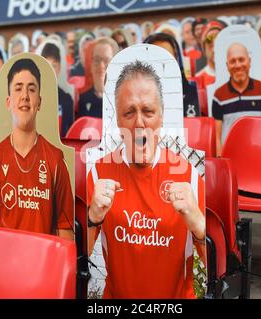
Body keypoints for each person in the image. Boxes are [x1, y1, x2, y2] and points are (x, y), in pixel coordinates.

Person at [87, 60, 205, 299]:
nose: (139, 122)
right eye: (129, 112)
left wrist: (199, 226)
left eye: (148, 111)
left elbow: (220, 269)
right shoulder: (99, 173)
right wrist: (92, 219)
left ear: (161, 117)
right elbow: (74, 261)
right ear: (118, 122)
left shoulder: (189, 175)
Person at [0, 58, 74, 239]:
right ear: (8, 102)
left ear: (39, 102)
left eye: (31, 89)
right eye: (18, 88)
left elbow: (65, 232)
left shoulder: (55, 160)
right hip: (7, 262)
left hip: (43, 262)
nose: (24, 96)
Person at [212, 42, 261, 156]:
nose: (237, 65)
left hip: (260, 156)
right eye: (233, 61)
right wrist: (220, 161)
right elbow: (217, 137)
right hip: (230, 158)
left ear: (249, 62)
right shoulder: (219, 96)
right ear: (227, 65)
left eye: (241, 59)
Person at [145, 32, 201, 117]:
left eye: (167, 56)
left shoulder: (190, 92)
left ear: (177, 59)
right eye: (156, 57)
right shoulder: (135, 96)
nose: (162, 63)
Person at [40, 42, 74, 137]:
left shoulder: (66, 99)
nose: (50, 70)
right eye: (47, 65)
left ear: (59, 68)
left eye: (54, 65)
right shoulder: (32, 96)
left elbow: (69, 133)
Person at [78, 37, 118, 118]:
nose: (101, 65)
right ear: (91, 64)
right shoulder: (83, 99)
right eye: (97, 60)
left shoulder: (122, 99)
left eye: (106, 60)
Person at [195, 19, 227, 90]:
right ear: (204, 48)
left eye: (219, 38)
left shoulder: (237, 74)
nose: (215, 44)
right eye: (209, 40)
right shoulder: (197, 81)